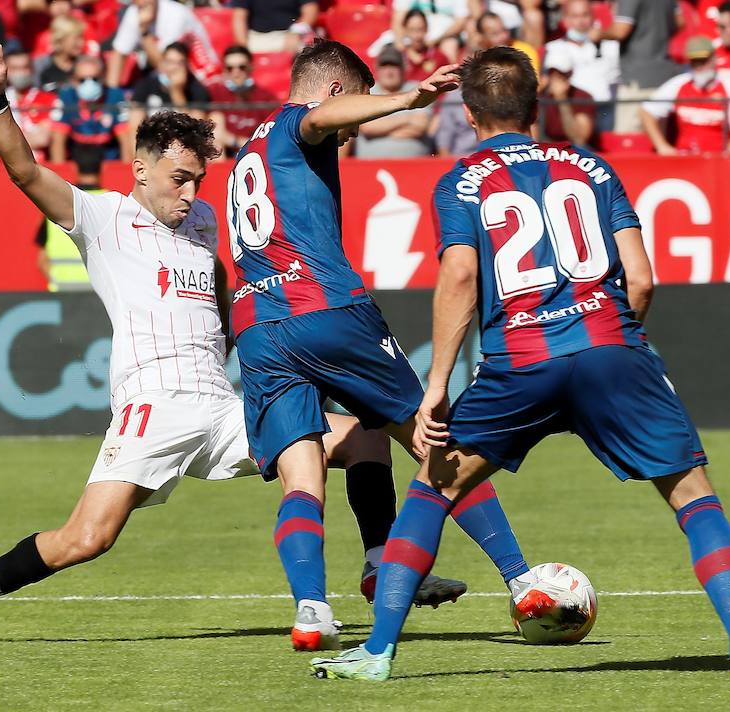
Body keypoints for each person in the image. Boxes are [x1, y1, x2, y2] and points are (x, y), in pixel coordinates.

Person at [0, 39, 466, 646]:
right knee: (86, 539)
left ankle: (375, 563)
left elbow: (226, 287)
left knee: (363, 436)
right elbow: (24, 169)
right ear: (141, 170)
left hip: (221, 406)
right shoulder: (99, 220)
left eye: (198, 180)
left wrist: (243, 341)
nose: (189, 193)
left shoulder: (203, 222)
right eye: (179, 179)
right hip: (152, 409)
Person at [310, 46, 730, 683]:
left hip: (521, 361)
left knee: (433, 487)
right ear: (537, 106)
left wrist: (435, 388)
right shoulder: (592, 168)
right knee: (694, 499)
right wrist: (615, 344)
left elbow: (460, 274)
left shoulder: (461, 179)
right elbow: (642, 281)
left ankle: (376, 656)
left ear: (469, 109)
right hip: (609, 347)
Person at [224, 39, 531, 650]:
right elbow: (316, 116)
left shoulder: (245, 154)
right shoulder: (296, 123)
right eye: (356, 106)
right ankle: (524, 581)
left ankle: (319, 604)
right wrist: (409, 97)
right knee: (429, 433)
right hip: (323, 307)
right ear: (339, 92)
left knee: (310, 472)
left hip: (257, 328)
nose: (354, 129)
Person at [640, 36, 730, 155]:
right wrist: (662, 146)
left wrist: (725, 157)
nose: (699, 67)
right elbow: (647, 111)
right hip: (683, 159)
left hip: (717, 160)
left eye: (703, 61)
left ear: (714, 59)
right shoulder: (679, 84)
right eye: (694, 62)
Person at [50, 54, 132, 188]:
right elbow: (58, 141)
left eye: (95, 78)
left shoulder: (116, 96)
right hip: (77, 161)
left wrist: (123, 177)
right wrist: (60, 179)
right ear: (74, 80)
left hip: (108, 160)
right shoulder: (65, 97)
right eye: (82, 80)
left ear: (103, 77)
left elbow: (126, 141)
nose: (89, 84)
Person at [600, 0, 680, 133]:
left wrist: (597, 34)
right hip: (663, 77)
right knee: (656, 138)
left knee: (629, 141)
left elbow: (621, 30)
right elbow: (679, 21)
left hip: (636, 81)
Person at [543, 0, 621, 131]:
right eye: (575, 16)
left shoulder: (612, 46)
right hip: (575, 115)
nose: (580, 21)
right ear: (565, 19)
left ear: (593, 17)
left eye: (585, 15)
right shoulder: (553, 48)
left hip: (608, 113)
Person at [107, 0, 217, 90]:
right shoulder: (135, 11)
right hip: (169, 72)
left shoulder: (176, 13)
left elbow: (164, 64)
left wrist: (144, 30)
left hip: (201, 74)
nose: (142, 3)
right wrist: (112, 94)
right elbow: (119, 53)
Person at [353, 46, 433, 158]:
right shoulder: (366, 92)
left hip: (414, 166)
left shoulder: (418, 88)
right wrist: (408, 119)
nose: (389, 71)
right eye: (385, 65)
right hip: (369, 167)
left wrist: (381, 129)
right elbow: (367, 127)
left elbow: (421, 126)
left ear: (403, 68)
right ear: (377, 68)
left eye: (394, 66)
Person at [129, 41, 213, 137]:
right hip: (152, 141)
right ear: (163, 63)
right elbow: (134, 123)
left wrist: (176, 90)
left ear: (186, 65)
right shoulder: (146, 84)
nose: (174, 68)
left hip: (182, 143)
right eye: (170, 62)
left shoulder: (197, 89)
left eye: (179, 63)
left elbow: (194, 131)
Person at [208, 45, 279, 157]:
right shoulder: (215, 93)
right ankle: (219, 172)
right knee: (215, 122)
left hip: (255, 155)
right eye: (230, 68)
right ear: (224, 70)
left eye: (242, 67)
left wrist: (234, 140)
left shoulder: (265, 98)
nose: (236, 73)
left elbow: (273, 137)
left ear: (251, 67)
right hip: (224, 155)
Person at [538, 52, 595, 146]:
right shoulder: (541, 96)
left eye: (561, 73)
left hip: (575, 149)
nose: (556, 77)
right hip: (548, 148)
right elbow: (533, 136)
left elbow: (579, 139)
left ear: (569, 74)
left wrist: (562, 100)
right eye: (552, 73)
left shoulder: (583, 97)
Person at [230, 0, 319, 54]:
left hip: (292, 35)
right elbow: (239, 17)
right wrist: (243, 48)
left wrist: (296, 32)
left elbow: (310, 10)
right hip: (256, 38)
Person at [394, 10, 454, 84]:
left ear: (426, 29)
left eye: (420, 29)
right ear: (405, 30)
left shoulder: (439, 57)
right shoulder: (397, 57)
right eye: (412, 30)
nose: (417, 36)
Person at [35, 14, 91, 90]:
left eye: (82, 38)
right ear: (61, 39)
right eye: (76, 38)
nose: (81, 43)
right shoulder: (41, 66)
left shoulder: (87, 64)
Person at [472, 12, 540, 73]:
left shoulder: (524, 51)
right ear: (482, 37)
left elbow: (534, 84)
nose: (503, 36)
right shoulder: (478, 58)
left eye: (504, 30)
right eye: (495, 34)